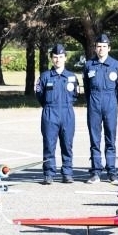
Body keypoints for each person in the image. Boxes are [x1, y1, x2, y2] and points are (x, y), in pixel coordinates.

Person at [83, 34, 118, 184]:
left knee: (110, 139)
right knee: (95, 139)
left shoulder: (116, 65)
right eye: (99, 46)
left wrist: (112, 100)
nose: (101, 49)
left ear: (109, 48)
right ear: (95, 48)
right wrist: (92, 100)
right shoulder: (88, 65)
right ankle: (95, 172)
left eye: (104, 46)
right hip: (94, 102)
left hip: (110, 102)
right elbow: (86, 87)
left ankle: (112, 171)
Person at [36, 44, 79, 184]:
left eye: (60, 57)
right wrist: (49, 106)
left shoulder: (72, 77)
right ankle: (49, 173)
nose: (58, 60)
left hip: (67, 112)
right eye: (55, 57)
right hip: (50, 112)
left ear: (65, 58)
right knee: (49, 144)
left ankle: (67, 172)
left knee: (67, 144)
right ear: (51, 59)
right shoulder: (44, 76)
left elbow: (75, 95)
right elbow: (39, 95)